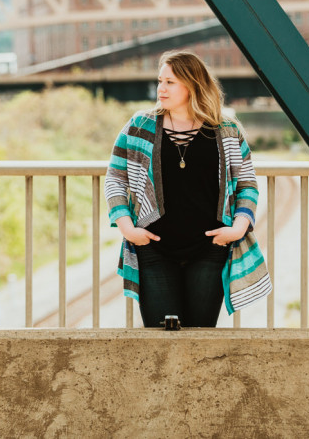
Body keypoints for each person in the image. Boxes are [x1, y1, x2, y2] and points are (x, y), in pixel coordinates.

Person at [104, 51, 271, 327]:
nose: (161, 89)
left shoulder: (226, 130)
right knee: (161, 342)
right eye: (160, 81)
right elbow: (115, 178)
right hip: (154, 249)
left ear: (192, 85)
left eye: (170, 82)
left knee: (200, 339)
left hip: (210, 248)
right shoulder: (140, 126)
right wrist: (128, 229)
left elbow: (247, 183)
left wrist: (238, 228)